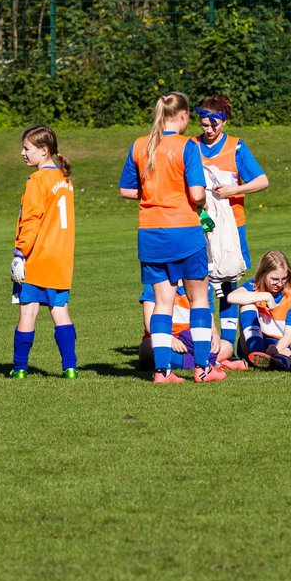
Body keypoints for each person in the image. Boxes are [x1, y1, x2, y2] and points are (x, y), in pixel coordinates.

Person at [119, 92, 225, 383]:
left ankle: (162, 371)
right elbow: (197, 194)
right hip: (183, 232)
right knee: (199, 298)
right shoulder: (188, 146)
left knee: (162, 301)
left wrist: (154, 195)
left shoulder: (140, 145)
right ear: (183, 116)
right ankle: (203, 368)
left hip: (150, 233)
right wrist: (203, 204)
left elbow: (126, 190)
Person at [193, 95, 270, 347]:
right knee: (201, 281)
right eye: (204, 124)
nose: (209, 130)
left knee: (228, 282)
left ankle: (226, 345)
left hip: (231, 227)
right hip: (199, 224)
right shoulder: (191, 146)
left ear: (224, 121)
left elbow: (262, 181)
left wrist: (233, 190)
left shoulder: (236, 147)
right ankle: (207, 341)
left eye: (214, 125)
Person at [7, 125, 78, 379]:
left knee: (28, 311)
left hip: (38, 257)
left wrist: (19, 254)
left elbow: (31, 220)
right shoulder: (64, 179)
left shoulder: (37, 180)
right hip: (61, 258)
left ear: (44, 150)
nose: (22, 153)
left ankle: (20, 368)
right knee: (60, 310)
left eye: (27, 149)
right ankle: (70, 367)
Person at [227, 250, 291, 371]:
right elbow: (231, 297)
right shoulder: (254, 286)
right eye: (274, 279)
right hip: (252, 342)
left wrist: (277, 348)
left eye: (284, 278)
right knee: (246, 304)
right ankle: (257, 353)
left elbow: (289, 335)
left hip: (278, 344)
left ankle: (276, 361)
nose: (280, 284)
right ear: (263, 275)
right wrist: (267, 296)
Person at [137, 281, 242, 372]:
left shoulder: (203, 285)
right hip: (166, 339)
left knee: (227, 347)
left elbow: (209, 321)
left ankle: (182, 362)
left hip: (193, 341)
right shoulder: (154, 284)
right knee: (148, 346)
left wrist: (215, 335)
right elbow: (149, 326)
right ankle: (211, 364)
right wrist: (170, 339)